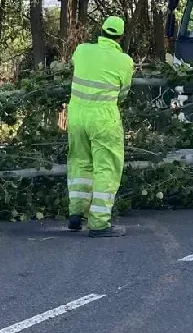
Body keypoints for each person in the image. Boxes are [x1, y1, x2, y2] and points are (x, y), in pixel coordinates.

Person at [65, 16, 135, 237]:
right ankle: (98, 224)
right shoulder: (125, 61)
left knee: (79, 162)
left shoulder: (82, 50)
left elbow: (75, 65)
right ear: (120, 37)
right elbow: (123, 93)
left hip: (76, 115)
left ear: (102, 30)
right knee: (106, 168)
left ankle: (75, 213)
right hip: (104, 118)